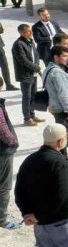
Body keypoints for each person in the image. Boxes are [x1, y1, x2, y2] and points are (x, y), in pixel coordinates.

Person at [13, 24, 44, 126]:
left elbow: (36, 55)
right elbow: (23, 60)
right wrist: (36, 68)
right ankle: (27, 118)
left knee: (33, 95)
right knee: (27, 96)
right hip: (25, 74)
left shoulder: (31, 41)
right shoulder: (18, 44)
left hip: (33, 73)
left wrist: (37, 67)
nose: (31, 33)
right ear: (22, 33)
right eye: (28, 31)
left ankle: (32, 114)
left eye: (31, 31)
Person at [0, 98, 19, 229]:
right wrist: (13, 142)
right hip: (2, 152)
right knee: (4, 186)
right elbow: (3, 131)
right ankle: (2, 219)